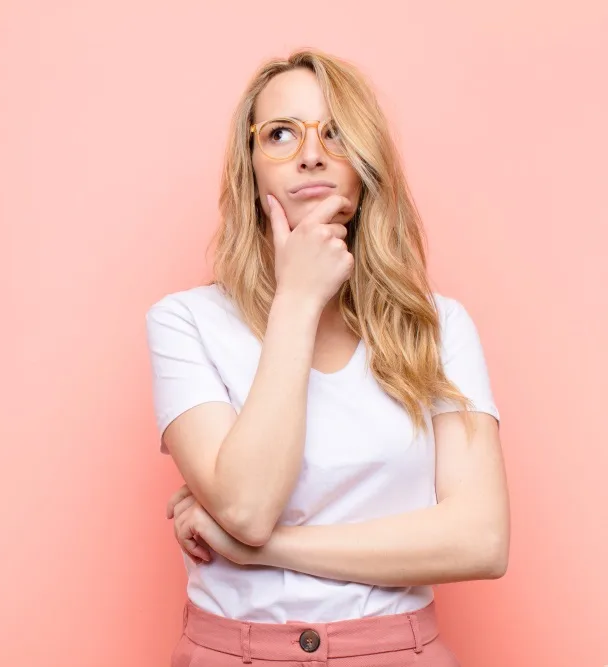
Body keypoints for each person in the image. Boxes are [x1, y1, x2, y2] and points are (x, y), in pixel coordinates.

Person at [144, 49, 509, 667]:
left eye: (334, 133)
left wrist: (266, 551)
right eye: (281, 134)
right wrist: (298, 298)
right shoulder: (185, 321)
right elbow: (247, 507)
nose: (310, 154)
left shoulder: (439, 325)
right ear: (248, 166)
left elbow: (481, 540)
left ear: (366, 164)